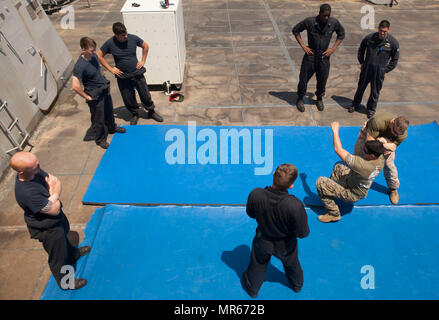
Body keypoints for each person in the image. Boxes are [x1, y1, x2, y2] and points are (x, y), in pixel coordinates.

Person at [11, 151, 91, 290]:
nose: (40, 167)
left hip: (55, 221)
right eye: (35, 167)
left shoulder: (34, 170)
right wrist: (53, 193)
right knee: (58, 257)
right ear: (22, 172)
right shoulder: (27, 193)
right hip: (47, 229)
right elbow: (55, 210)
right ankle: (66, 282)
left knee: (64, 241)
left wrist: (53, 195)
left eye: (38, 164)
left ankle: (73, 254)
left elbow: (56, 182)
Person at [242, 164, 310, 298]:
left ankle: (252, 289)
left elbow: (251, 214)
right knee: (292, 263)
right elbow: (302, 233)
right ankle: (297, 286)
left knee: (258, 263)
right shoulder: (295, 205)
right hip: (285, 245)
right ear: (291, 185)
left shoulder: (256, 194)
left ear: (273, 174)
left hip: (262, 240)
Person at [316, 122, 386, 223]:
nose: (363, 151)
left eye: (365, 152)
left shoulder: (363, 166)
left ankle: (333, 213)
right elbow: (376, 143)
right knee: (339, 167)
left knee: (320, 182)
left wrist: (335, 130)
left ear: (372, 156)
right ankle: (332, 191)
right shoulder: (381, 157)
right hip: (356, 182)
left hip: (352, 193)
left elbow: (338, 149)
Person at [97, 22, 163, 126]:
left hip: (137, 73)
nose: (126, 36)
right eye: (123, 35)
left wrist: (143, 61)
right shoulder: (110, 43)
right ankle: (134, 113)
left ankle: (151, 112)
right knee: (128, 97)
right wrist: (111, 69)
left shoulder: (133, 38)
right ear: (116, 35)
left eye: (126, 33)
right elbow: (99, 55)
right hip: (123, 76)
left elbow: (145, 46)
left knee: (145, 94)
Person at [72, 37, 126, 150]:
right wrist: (86, 96)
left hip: (104, 90)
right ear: (83, 50)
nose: (94, 52)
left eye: (94, 49)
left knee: (109, 111)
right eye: (91, 50)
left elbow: (98, 71)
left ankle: (112, 127)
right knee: (98, 118)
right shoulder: (79, 66)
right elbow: (75, 86)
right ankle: (100, 139)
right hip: (94, 95)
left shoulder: (94, 57)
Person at [292, 3, 345, 112]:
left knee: (322, 80)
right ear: (319, 13)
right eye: (324, 15)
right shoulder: (310, 22)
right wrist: (303, 46)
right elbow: (296, 30)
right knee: (303, 79)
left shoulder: (333, 23)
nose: (326, 18)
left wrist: (333, 48)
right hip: (311, 55)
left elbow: (341, 34)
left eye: (328, 15)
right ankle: (300, 98)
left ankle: (319, 98)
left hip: (324, 57)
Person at [353, 112, 409, 205]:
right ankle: (353, 180)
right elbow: (369, 144)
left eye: (398, 134)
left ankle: (393, 188)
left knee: (389, 165)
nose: (396, 135)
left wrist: (388, 147)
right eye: (395, 132)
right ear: (393, 122)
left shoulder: (401, 134)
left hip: (387, 141)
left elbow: (394, 146)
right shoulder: (377, 122)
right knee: (358, 157)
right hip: (370, 134)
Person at [349, 20, 400, 118]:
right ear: (378, 29)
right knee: (361, 87)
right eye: (381, 30)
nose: (382, 33)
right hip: (367, 68)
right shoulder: (370, 38)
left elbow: (395, 59)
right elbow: (361, 48)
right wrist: (362, 62)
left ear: (388, 30)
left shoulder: (393, 43)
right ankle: (355, 105)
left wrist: (385, 70)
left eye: (384, 31)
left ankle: (371, 109)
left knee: (375, 91)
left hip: (379, 71)